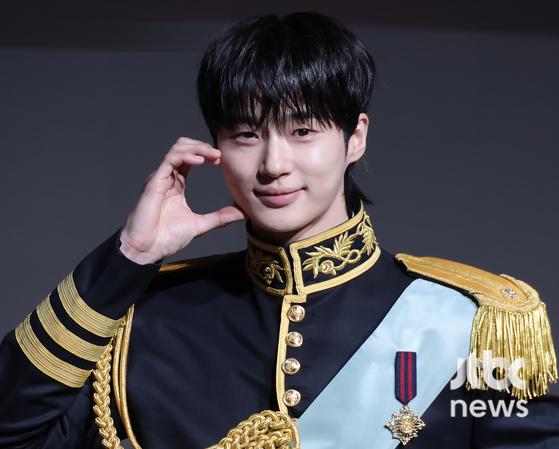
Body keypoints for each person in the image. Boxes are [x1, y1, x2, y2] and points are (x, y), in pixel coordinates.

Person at [0, 11, 557, 449]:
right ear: (215, 145)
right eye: (246, 134)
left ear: (355, 138)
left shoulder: (470, 324)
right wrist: (129, 256)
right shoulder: (144, 321)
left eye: (303, 131)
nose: (273, 164)